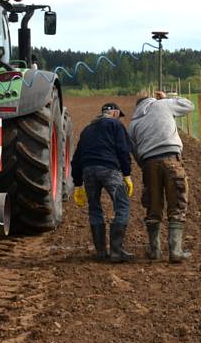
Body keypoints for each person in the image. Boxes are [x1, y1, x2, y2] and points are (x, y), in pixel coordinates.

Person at [129, 90, 194, 263]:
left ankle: (155, 250)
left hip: (149, 164)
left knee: (153, 206)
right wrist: (167, 99)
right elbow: (189, 105)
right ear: (150, 99)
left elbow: (134, 151)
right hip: (171, 159)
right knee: (177, 203)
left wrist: (146, 166)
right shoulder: (162, 104)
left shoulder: (133, 123)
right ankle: (176, 251)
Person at [71, 103, 135, 263]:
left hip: (88, 172)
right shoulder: (115, 124)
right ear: (114, 113)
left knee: (94, 208)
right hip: (109, 169)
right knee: (122, 206)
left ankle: (100, 252)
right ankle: (116, 251)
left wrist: (78, 184)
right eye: (118, 114)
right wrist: (127, 174)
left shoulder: (87, 130)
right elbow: (122, 150)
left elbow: (77, 158)